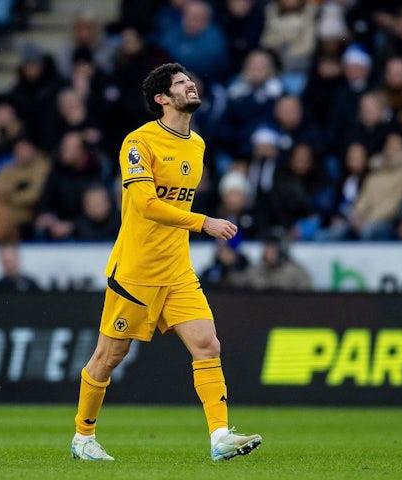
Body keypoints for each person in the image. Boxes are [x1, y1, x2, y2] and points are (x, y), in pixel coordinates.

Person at [70, 62, 261, 462]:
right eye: (181, 84)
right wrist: (203, 222)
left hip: (177, 270)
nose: (191, 86)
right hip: (136, 271)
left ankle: (220, 437)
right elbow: (146, 204)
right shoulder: (139, 143)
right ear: (162, 98)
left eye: (191, 81)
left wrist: (195, 226)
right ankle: (83, 437)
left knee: (208, 345)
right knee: (109, 357)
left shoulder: (197, 144)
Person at [239, 227, 313, 291]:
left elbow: (307, 295)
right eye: (266, 246)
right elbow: (239, 288)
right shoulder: (255, 271)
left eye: (272, 247)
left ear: (282, 249)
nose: (267, 251)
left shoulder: (295, 272)